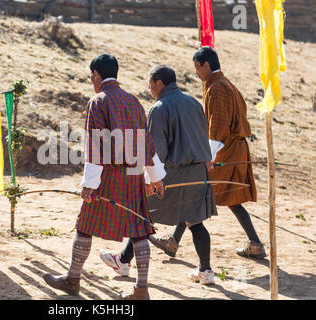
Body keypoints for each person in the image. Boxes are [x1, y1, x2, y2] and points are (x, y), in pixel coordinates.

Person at [42, 54, 166, 300]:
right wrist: (155, 177)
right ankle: (141, 289)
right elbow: (146, 143)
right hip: (133, 176)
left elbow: (96, 147)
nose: (91, 80)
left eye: (92, 76)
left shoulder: (98, 101)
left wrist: (89, 185)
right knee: (139, 229)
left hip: (109, 175)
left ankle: (72, 279)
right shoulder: (134, 101)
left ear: (97, 76)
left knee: (84, 225)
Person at [99, 65, 217, 285]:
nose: (149, 88)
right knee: (195, 221)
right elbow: (204, 136)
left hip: (173, 173)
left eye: (150, 83)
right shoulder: (193, 102)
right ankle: (206, 270)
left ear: (160, 83)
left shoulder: (160, 107)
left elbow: (156, 151)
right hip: (199, 171)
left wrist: (150, 179)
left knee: (143, 215)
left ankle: (123, 261)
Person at [164, 47, 265, 259]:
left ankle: (174, 241)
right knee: (228, 198)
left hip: (224, 150)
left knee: (193, 189)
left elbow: (217, 128)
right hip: (231, 149)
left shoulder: (217, 87)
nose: (197, 73)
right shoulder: (223, 83)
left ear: (206, 65)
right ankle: (255, 243)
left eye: (197, 68)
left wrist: (206, 158)